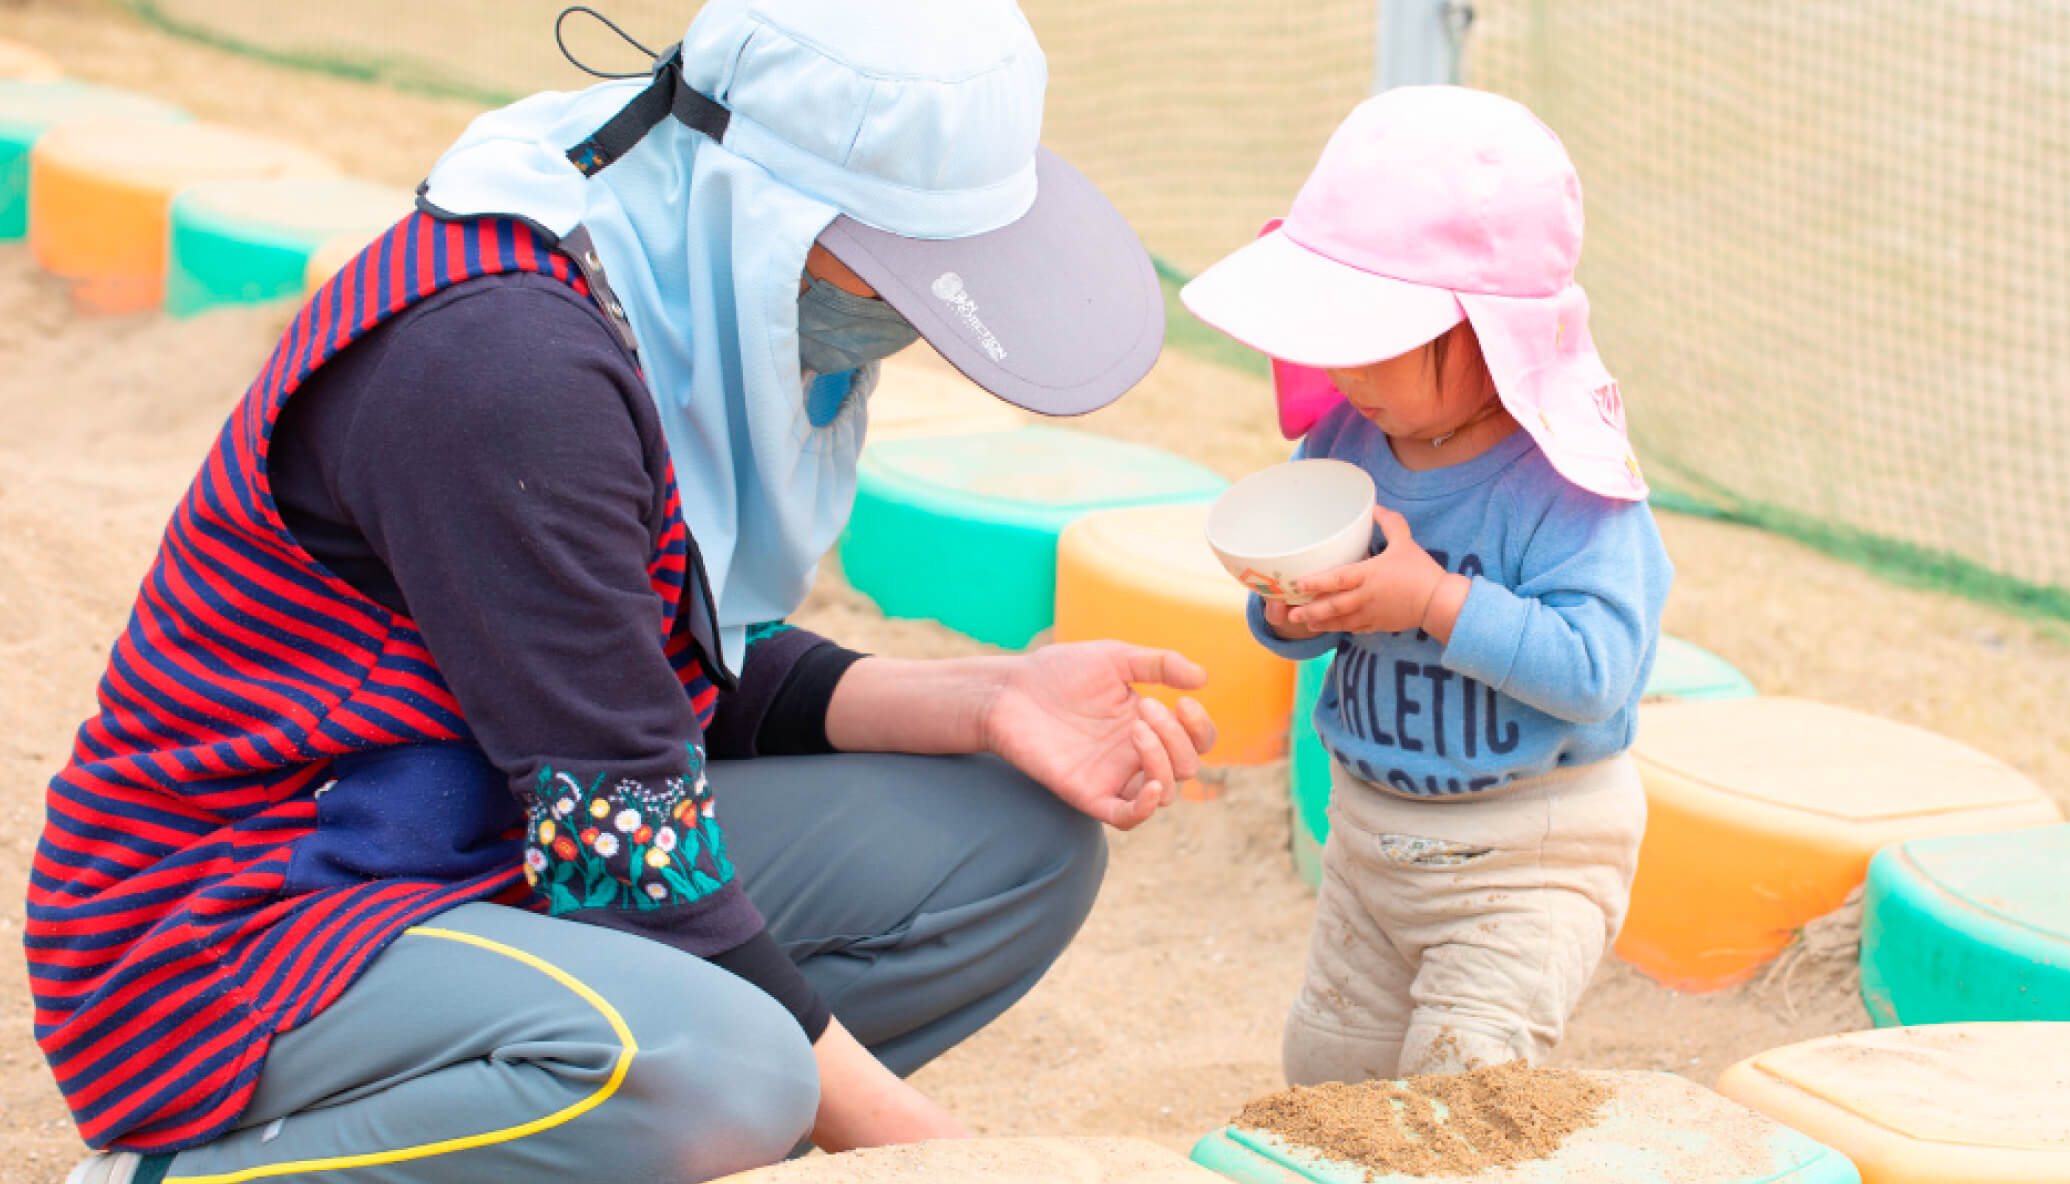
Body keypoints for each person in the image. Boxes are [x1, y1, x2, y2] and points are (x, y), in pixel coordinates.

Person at [32, 3, 1217, 1182]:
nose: (909, 313)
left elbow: (646, 670)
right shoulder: (506, 362)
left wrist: (989, 697)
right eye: (898, 267)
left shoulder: (656, 276)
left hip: (488, 843)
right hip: (238, 920)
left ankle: (582, 1132)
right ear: (763, 210)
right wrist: (959, 1161)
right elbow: (624, 837)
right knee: (728, 1069)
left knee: (1010, 844)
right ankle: (191, 1170)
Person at [1180, 86, 1674, 1084]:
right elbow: (1300, 631)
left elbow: (1597, 672)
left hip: (1527, 853)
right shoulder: (1349, 437)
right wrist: (1288, 608)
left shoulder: (1570, 484)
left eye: (1376, 335)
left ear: (1489, 334)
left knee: (1463, 1087)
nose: (1343, 364)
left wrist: (1433, 601)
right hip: (1367, 842)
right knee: (1326, 1074)